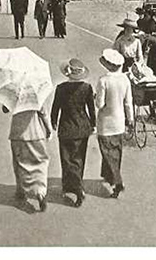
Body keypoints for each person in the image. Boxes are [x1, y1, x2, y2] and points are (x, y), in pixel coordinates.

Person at [51, 58, 96, 207]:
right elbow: (91, 108)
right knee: (78, 159)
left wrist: (53, 122)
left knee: (66, 159)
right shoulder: (87, 88)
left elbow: (55, 108)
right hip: (82, 127)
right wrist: (93, 124)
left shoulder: (60, 88)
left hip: (66, 127)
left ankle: (72, 187)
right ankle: (77, 185)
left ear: (67, 73)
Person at [94, 49, 133, 199]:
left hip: (106, 122)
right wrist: (130, 120)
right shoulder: (125, 80)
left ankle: (117, 181)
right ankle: (109, 176)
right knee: (115, 152)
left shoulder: (103, 80)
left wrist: (96, 96)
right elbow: (128, 103)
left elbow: (100, 104)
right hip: (119, 121)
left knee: (107, 152)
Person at [2, 97, 53, 212]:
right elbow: (43, 113)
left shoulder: (13, 92)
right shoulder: (36, 93)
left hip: (17, 133)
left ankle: (21, 191)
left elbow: (5, 109)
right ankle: (40, 192)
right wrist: (49, 129)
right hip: (36, 133)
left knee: (19, 163)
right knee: (40, 162)